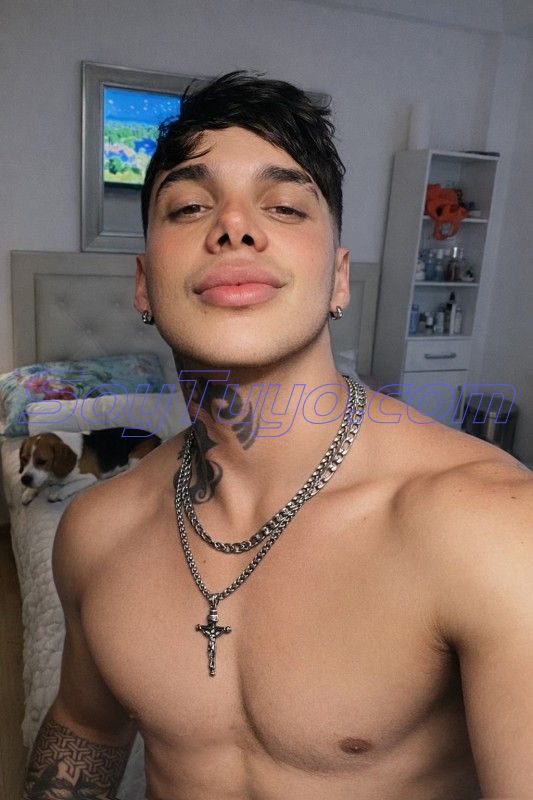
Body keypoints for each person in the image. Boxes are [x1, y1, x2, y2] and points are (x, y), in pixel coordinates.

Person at [23, 71, 533, 800]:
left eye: (285, 206)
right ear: (143, 283)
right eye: (190, 206)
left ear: (338, 280)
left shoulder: (494, 527)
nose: (233, 226)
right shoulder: (96, 531)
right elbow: (85, 731)